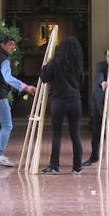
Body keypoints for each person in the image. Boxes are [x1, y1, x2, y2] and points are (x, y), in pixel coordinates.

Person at [0, 34, 36, 167]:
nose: (12, 47)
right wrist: (25, 86)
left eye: (13, 44)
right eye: (10, 44)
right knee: (7, 125)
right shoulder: (4, 59)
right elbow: (8, 78)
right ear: (2, 44)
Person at [40, 36, 85, 175]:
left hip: (58, 102)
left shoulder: (55, 62)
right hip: (75, 101)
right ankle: (77, 166)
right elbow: (81, 82)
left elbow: (43, 77)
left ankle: (54, 166)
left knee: (56, 134)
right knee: (75, 134)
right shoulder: (78, 64)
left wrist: (46, 65)